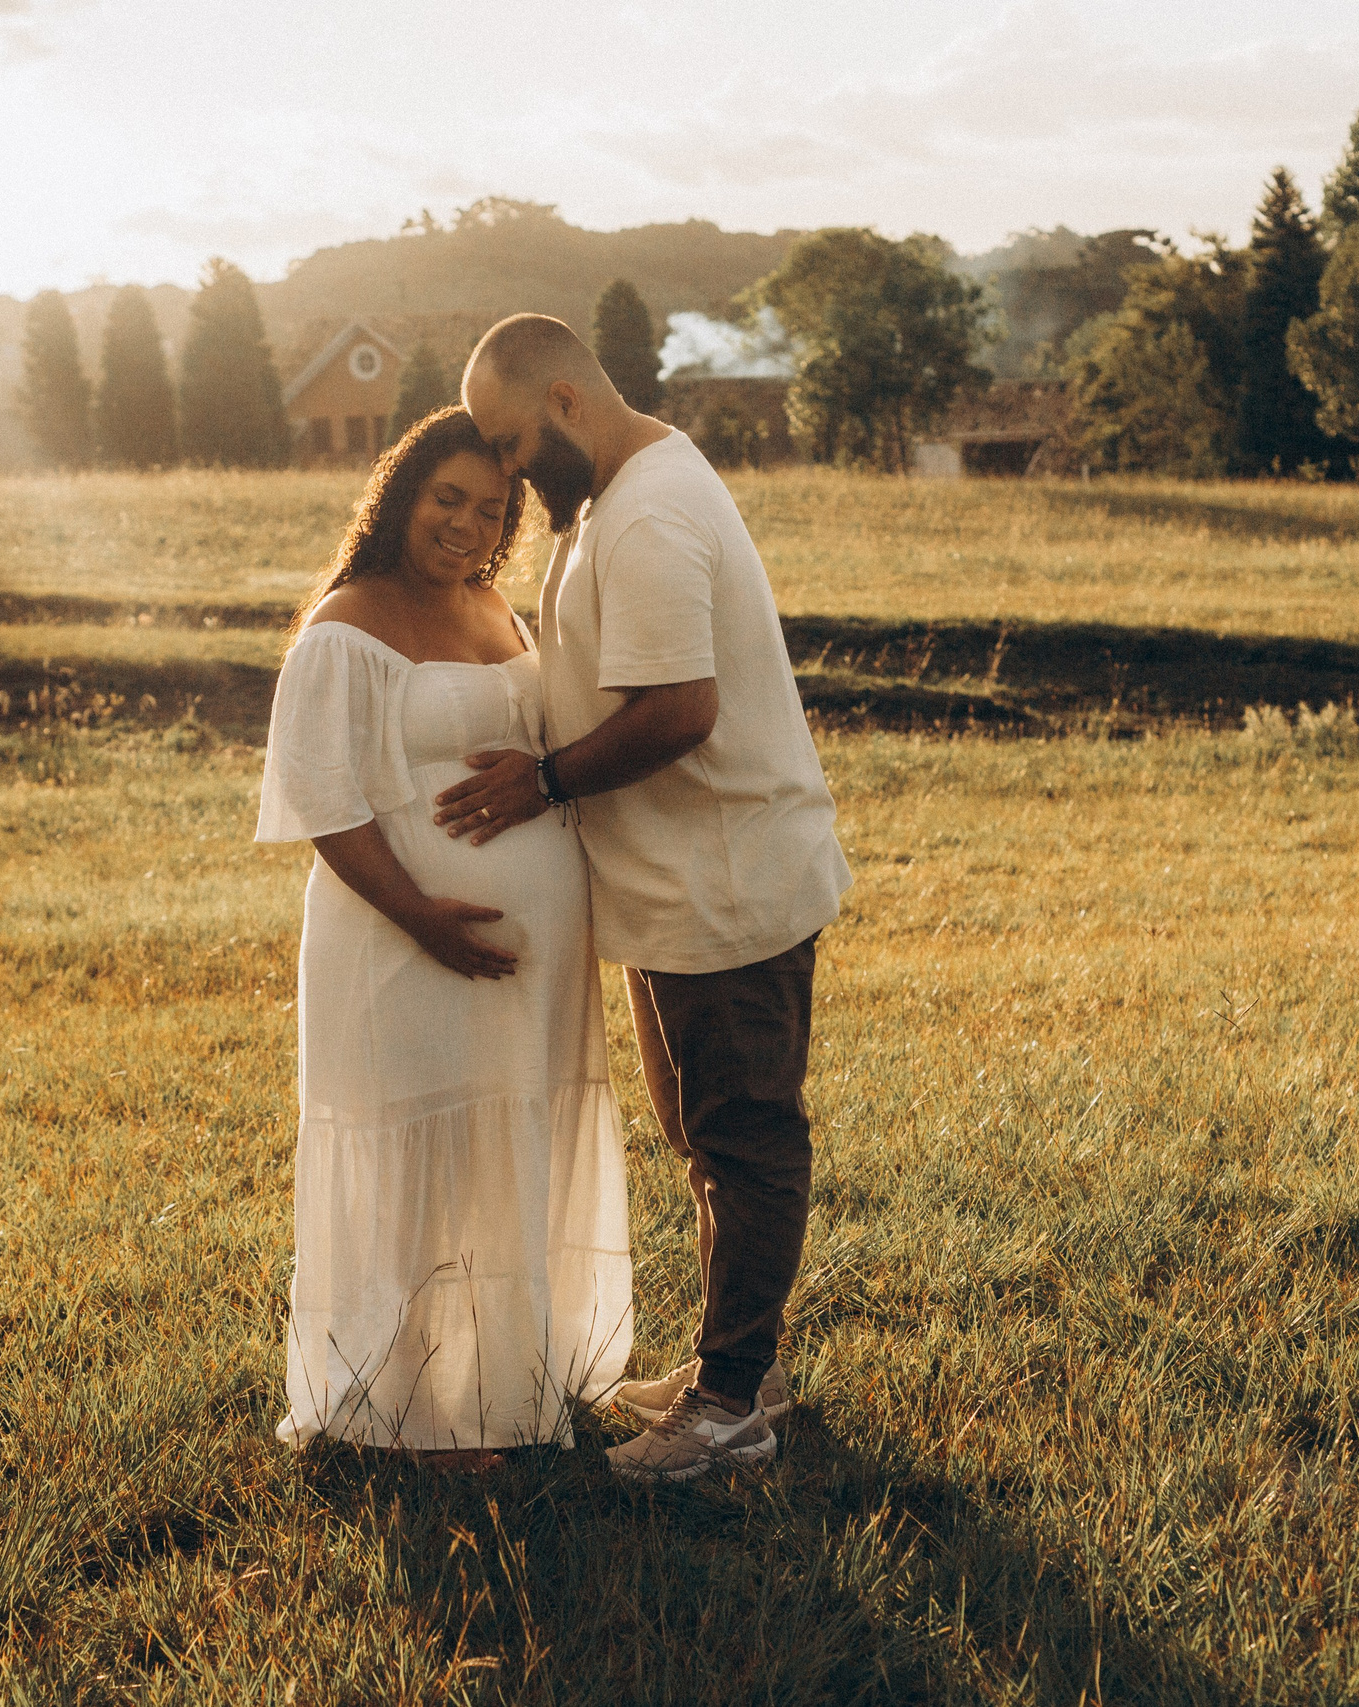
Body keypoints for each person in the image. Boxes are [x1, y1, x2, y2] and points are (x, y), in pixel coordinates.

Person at [441, 315, 852, 1483]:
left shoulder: (652, 512)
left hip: (725, 881)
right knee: (702, 1134)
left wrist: (543, 782)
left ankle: (730, 1413)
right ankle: (744, 1364)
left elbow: (679, 711)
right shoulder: (612, 497)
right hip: (674, 886)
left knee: (744, 1138)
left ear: (566, 400)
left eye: (513, 443)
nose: (509, 472)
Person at [254, 407, 632, 1470]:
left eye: (491, 508)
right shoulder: (344, 623)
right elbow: (322, 801)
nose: (467, 526)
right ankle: (409, 1413)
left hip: (530, 966)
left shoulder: (493, 607)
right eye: (447, 499)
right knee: (416, 1160)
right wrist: (421, 915)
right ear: (399, 498)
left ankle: (503, 1382)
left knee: (504, 1158)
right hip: (399, 944)